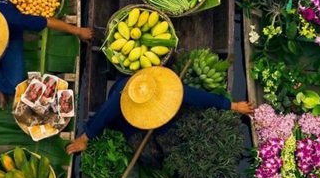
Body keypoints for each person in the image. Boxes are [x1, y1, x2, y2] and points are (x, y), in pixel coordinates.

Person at [66, 66, 253, 155]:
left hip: (164, 120)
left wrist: (234, 106)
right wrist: (83, 139)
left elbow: (201, 98)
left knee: (171, 136)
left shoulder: (171, 91)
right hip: (128, 122)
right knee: (145, 152)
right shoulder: (120, 99)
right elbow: (102, 117)